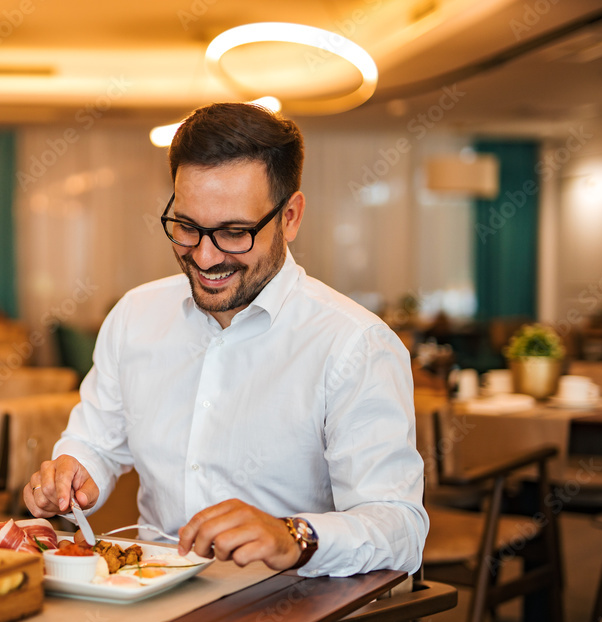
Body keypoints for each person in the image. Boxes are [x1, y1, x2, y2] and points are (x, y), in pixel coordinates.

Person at [24, 102, 427, 583]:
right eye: (187, 227)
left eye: (235, 232)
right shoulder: (134, 316)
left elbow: (401, 527)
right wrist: (76, 467)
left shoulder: (354, 344)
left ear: (291, 217)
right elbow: (97, 442)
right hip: (143, 597)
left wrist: (292, 536)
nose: (206, 256)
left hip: (293, 617)